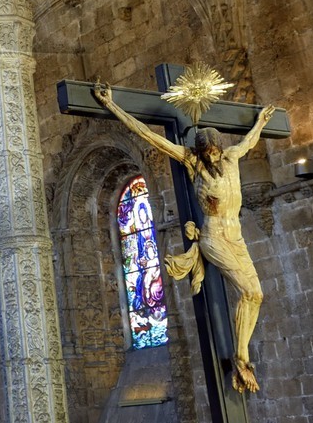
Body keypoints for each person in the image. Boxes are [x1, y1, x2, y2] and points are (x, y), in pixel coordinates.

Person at [94, 81, 277, 393]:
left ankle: (241, 356)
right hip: (214, 237)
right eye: (208, 153)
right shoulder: (192, 163)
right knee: (247, 290)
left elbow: (250, 140)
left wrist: (261, 121)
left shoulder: (232, 157)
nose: (213, 157)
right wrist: (112, 106)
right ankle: (242, 357)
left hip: (237, 236)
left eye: (215, 151)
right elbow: (148, 135)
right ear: (200, 152)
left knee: (256, 294)